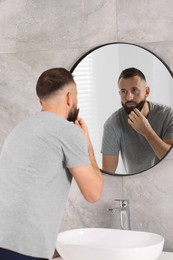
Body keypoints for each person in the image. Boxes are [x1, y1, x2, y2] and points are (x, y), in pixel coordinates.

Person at [0, 68, 103, 260]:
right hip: (24, 248)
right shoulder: (68, 132)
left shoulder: (19, 130)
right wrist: (87, 144)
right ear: (69, 97)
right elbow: (93, 193)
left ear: (41, 101)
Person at [101, 67, 173, 174]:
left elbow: (170, 161)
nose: (129, 97)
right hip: (134, 185)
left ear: (146, 91)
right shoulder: (112, 124)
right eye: (123, 91)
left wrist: (147, 132)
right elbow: (108, 172)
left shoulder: (168, 115)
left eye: (134, 90)